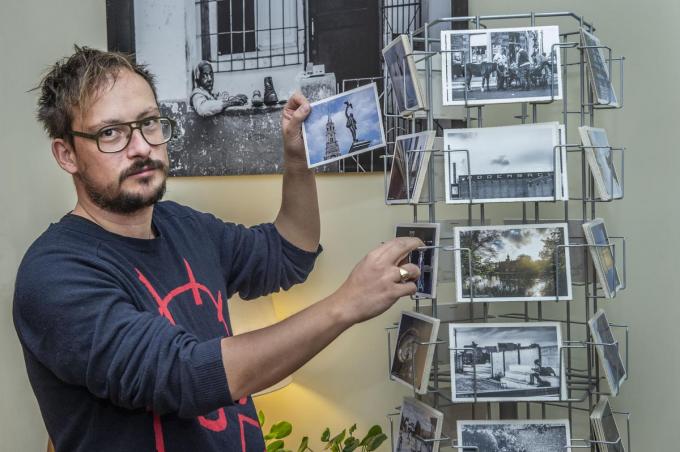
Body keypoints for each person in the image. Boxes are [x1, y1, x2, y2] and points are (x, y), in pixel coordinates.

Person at [13, 46, 423, 452]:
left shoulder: (184, 225)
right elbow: (186, 377)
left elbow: (289, 253)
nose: (140, 147)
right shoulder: (53, 274)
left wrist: (296, 160)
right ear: (66, 154)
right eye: (111, 133)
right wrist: (345, 304)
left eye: (148, 123)